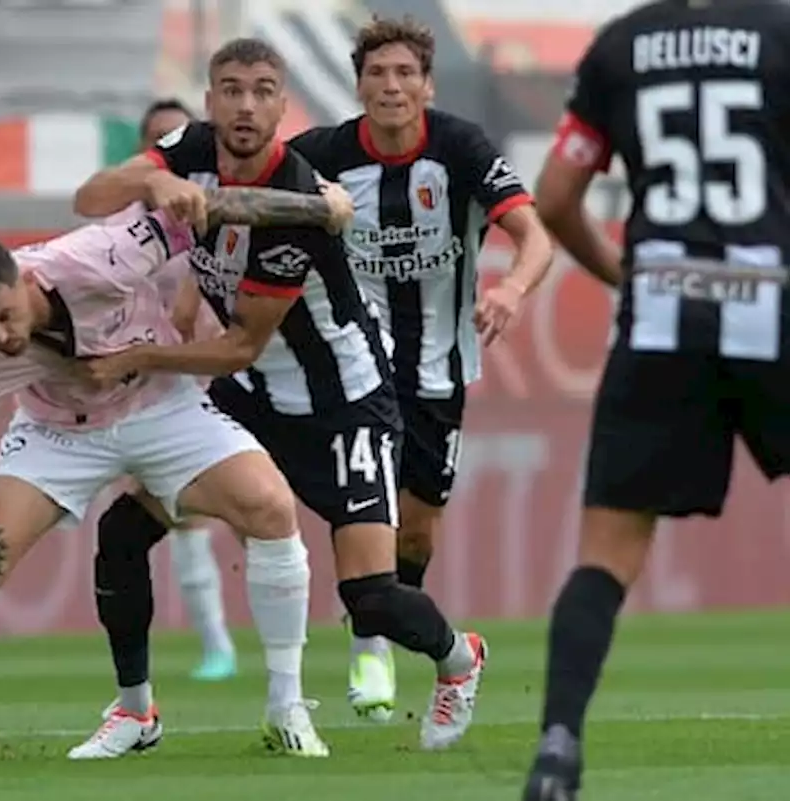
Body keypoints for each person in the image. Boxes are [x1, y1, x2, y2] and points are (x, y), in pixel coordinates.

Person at [0, 182, 357, 769]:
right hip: (58, 433)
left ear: (23, 280)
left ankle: (287, 707)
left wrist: (320, 209)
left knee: (270, 507)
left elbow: (207, 208)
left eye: (6, 317)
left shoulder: (100, 257)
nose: (2, 338)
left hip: (160, 408)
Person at [70, 37, 488, 758]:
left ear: (281, 106)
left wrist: (139, 357)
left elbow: (239, 343)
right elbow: (90, 197)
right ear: (209, 101)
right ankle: (136, 711)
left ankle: (459, 659)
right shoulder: (190, 146)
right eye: (230, 88)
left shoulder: (297, 197)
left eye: (263, 90)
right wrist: (152, 181)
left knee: (373, 597)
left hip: (344, 403)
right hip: (251, 397)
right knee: (122, 534)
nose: (244, 104)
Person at [524, 1, 791, 798]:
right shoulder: (780, 35)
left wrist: (622, 275)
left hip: (664, 312)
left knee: (606, 555)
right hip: (770, 303)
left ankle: (557, 750)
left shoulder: (623, 45)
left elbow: (558, 194)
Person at [287, 15, 554, 721]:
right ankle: (368, 642)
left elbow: (534, 236)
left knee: (416, 526)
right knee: (361, 500)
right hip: (355, 366)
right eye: (378, 74)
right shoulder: (322, 154)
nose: (392, 86)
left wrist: (511, 287)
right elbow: (256, 199)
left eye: (406, 74)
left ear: (427, 85)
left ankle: (387, 613)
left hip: (440, 368)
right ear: (360, 85)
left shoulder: (461, 147)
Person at [131, 96, 240, 682]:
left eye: (182, 138)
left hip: (231, 370)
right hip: (162, 379)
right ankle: (217, 646)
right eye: (160, 142)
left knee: (259, 509)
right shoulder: (128, 224)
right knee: (180, 513)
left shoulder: (229, 204)